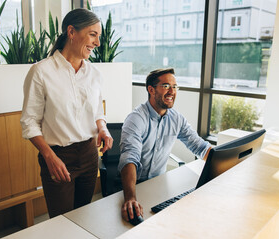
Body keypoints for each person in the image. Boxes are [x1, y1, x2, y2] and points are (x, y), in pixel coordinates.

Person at [20, 8, 113, 218]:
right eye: (93, 34)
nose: (98, 43)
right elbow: (29, 122)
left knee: (82, 217)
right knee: (61, 222)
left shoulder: (94, 74)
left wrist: (103, 129)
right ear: (71, 32)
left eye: (99, 36)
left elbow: (97, 110)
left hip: (90, 155)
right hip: (58, 157)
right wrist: (49, 156)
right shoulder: (41, 72)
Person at [118, 68, 212, 222]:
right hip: (135, 186)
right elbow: (130, 157)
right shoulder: (136, 119)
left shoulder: (176, 119)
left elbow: (199, 146)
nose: (172, 91)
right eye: (166, 86)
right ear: (151, 89)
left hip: (160, 185)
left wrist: (222, 163)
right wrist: (130, 198)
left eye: (175, 87)